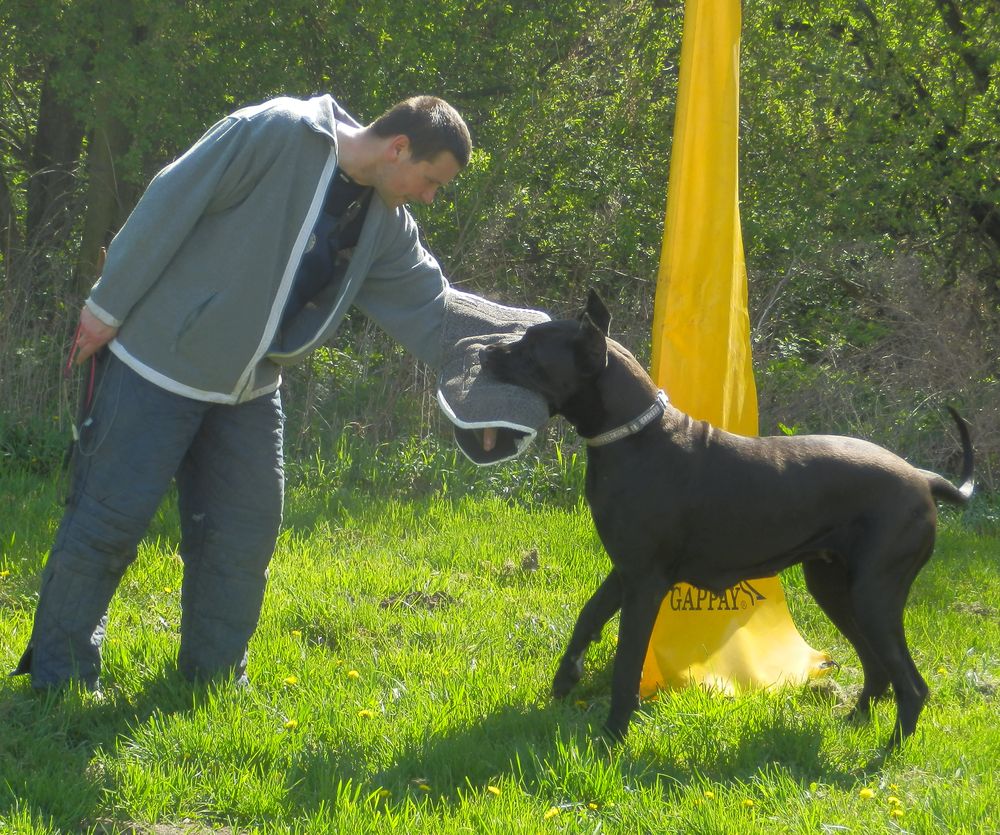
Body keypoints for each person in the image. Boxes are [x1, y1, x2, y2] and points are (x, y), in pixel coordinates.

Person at [13, 93, 500, 692]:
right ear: (399, 148)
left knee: (242, 538)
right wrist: (106, 306)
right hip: (156, 365)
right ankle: (59, 680)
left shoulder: (386, 224)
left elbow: (434, 307)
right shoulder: (276, 131)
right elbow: (171, 199)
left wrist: (507, 368)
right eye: (431, 181)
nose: (429, 198)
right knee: (106, 523)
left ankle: (213, 682)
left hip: (249, 389)